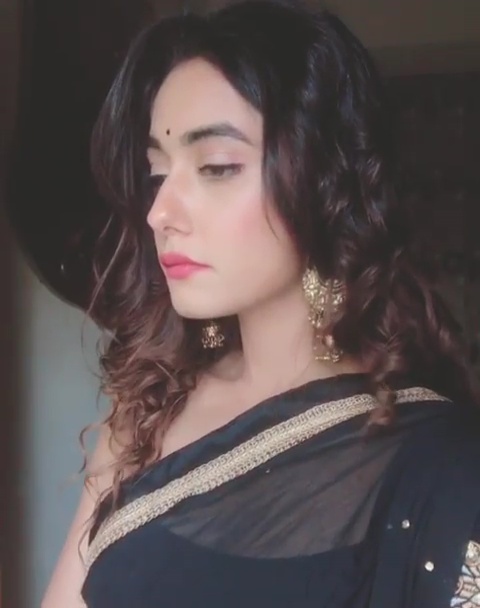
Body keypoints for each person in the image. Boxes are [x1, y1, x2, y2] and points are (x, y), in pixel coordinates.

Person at [42, 2, 480, 607]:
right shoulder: (145, 414)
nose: (160, 212)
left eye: (216, 167)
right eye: (156, 174)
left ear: (322, 181)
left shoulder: (438, 467)